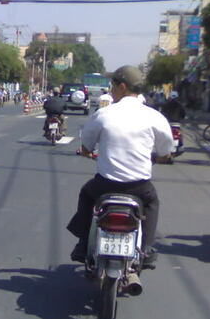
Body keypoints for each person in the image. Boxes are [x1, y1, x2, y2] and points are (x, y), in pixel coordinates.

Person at [67, 65, 174, 267]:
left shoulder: (104, 114)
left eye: (112, 86)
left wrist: (90, 153)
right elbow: (165, 153)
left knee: (86, 193)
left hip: (105, 185)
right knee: (152, 203)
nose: (111, 91)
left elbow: (86, 146)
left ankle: (83, 242)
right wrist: (155, 158)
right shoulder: (155, 117)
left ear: (122, 87)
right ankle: (147, 248)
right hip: (140, 187)